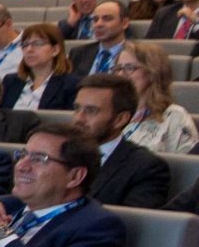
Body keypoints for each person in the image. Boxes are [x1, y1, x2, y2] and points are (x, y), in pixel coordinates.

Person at [69, 74, 172, 207]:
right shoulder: (58, 152)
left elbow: (129, 224)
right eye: (77, 108)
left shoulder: (146, 168)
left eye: (91, 111)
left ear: (120, 119)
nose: (79, 118)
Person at [113, 42, 197, 154]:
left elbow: (187, 167)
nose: (121, 75)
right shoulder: (111, 114)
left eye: (130, 68)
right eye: (118, 68)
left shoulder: (174, 116)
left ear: (152, 73)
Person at [6, 23, 79, 111]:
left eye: (37, 43)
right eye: (25, 44)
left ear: (55, 50)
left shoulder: (71, 85)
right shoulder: (10, 81)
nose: (29, 49)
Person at [68, 1, 130, 76]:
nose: (98, 24)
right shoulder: (78, 54)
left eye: (107, 19)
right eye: (95, 20)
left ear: (124, 23)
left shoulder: (137, 55)